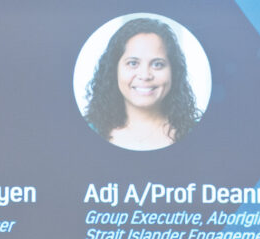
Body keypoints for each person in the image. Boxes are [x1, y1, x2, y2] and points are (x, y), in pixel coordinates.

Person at [83, 17, 200, 151]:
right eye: (133, 63)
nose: (145, 76)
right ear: (114, 70)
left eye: (157, 64)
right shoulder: (85, 132)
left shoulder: (199, 133)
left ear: (174, 72)